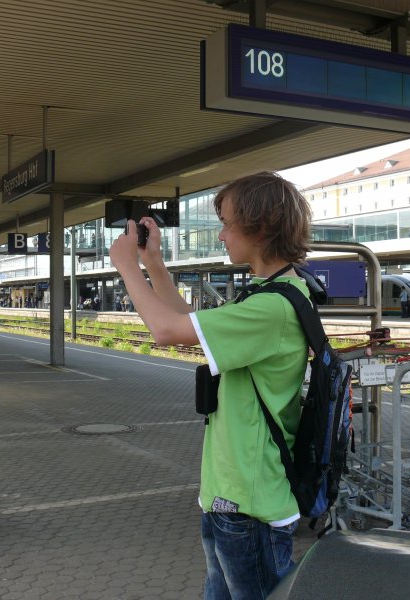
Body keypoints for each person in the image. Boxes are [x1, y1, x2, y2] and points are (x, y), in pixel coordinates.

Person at [109, 171, 311, 600]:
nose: (220, 236)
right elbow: (186, 323)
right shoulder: (266, 293)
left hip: (250, 507)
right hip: (228, 498)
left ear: (259, 227)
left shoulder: (273, 307)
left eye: (226, 224)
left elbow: (164, 330)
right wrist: (153, 265)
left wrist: (126, 266)